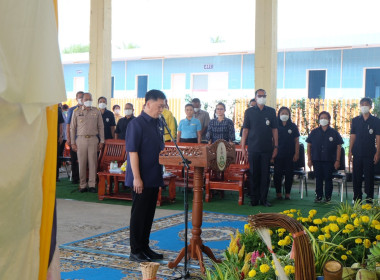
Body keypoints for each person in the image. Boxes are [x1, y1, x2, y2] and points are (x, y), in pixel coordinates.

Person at [125, 89, 166, 262]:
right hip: (140, 177)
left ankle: (145, 247)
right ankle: (135, 250)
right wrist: (137, 177)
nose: (161, 109)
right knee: (139, 214)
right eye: (159, 106)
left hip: (153, 175)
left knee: (149, 214)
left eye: (163, 106)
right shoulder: (137, 124)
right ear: (148, 104)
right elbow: (132, 152)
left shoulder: (158, 123)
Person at [241, 89, 278, 207]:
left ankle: (263, 199)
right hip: (253, 148)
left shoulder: (271, 111)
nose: (262, 97)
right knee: (254, 174)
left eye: (264, 96)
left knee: (265, 175)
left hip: (267, 149)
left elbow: (274, 130)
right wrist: (242, 147)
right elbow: (245, 130)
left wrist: (276, 146)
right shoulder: (249, 112)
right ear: (255, 97)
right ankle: (254, 199)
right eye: (259, 96)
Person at [70, 92, 104, 193]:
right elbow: (72, 128)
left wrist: (102, 141)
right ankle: (83, 185)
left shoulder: (96, 111)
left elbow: (101, 127)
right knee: (82, 163)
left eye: (90, 99)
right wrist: (72, 142)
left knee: (93, 163)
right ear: (82, 100)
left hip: (93, 139)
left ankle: (92, 184)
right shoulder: (76, 112)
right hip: (81, 140)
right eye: (86, 99)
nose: (88, 101)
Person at [306, 111, 343, 203]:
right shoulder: (314, 132)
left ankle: (328, 197)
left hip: (329, 160)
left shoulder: (334, 133)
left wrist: (337, 160)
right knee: (318, 178)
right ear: (319, 120)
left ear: (329, 120)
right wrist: (309, 159)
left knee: (328, 178)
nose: (323, 119)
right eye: (321, 118)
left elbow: (339, 147)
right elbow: (309, 146)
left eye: (325, 118)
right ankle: (318, 196)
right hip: (316, 159)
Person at [349, 97, 380, 202]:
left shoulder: (376, 121)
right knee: (356, 176)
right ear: (360, 106)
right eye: (362, 104)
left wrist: (378, 153)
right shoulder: (355, 120)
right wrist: (350, 152)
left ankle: (369, 197)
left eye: (366, 104)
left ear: (371, 106)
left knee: (369, 176)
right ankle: (357, 197)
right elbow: (352, 136)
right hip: (357, 153)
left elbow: (378, 137)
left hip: (370, 153)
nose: (364, 106)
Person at [273, 107, 300, 200]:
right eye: (282, 113)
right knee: (277, 174)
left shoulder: (293, 126)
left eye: (286, 113)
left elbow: (297, 141)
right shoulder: (275, 126)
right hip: (278, 154)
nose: (284, 115)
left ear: (289, 115)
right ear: (279, 114)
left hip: (290, 155)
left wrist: (296, 153)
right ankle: (278, 193)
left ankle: (288, 193)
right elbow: (271, 140)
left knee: (289, 174)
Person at [66, 91, 84, 184]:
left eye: (82, 97)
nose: (81, 99)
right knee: (74, 159)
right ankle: (75, 178)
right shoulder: (72, 110)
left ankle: (84, 178)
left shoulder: (89, 109)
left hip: (85, 139)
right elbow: (68, 125)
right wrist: (68, 138)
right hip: (75, 139)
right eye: (79, 97)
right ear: (76, 98)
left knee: (84, 159)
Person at [56, 104, 65, 181]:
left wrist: (61, 136)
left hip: (56, 138)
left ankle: (56, 176)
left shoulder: (58, 110)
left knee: (56, 157)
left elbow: (61, 124)